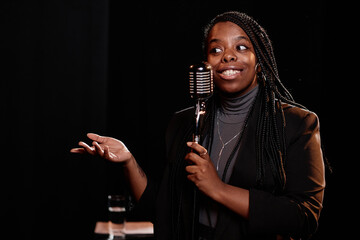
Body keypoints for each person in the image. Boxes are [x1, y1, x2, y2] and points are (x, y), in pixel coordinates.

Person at [71, 11, 325, 240]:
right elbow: (161, 210)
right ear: (207, 65)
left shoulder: (295, 123)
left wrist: (218, 189)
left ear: (260, 61)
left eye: (241, 46)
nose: (228, 55)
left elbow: (304, 217)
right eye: (216, 50)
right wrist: (128, 162)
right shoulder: (183, 123)